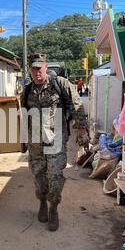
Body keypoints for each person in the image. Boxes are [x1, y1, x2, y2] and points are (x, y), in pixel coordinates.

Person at [21, 53, 87, 231]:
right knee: (38, 177)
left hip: (56, 140)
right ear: (29, 70)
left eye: (39, 67)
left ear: (45, 66)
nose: (37, 72)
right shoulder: (27, 90)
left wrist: (82, 130)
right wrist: (22, 140)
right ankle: (42, 202)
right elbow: (23, 114)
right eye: (33, 68)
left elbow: (76, 106)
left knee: (55, 177)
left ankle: (53, 208)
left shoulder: (61, 84)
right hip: (35, 143)